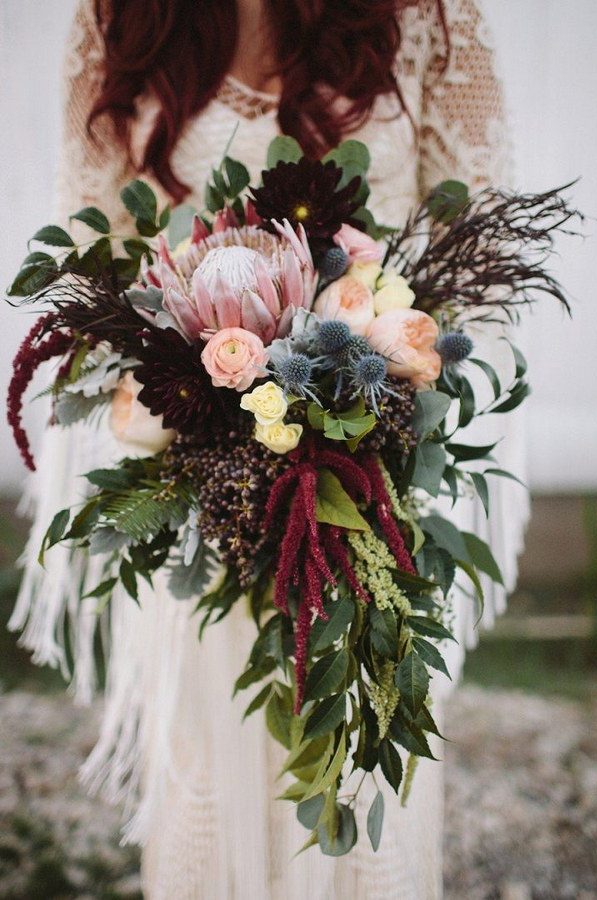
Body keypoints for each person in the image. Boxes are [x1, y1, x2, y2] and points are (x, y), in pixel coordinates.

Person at [11, 0, 528, 896]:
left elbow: (480, 249)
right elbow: (92, 253)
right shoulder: (121, 19)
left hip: (373, 474)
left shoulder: (432, 17)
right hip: (203, 491)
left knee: (366, 753)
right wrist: (207, 403)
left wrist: (373, 382)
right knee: (213, 758)